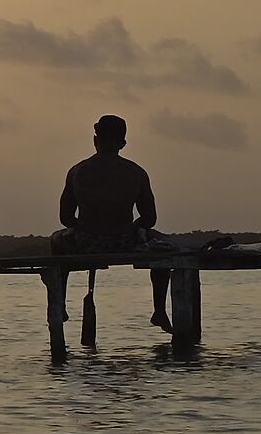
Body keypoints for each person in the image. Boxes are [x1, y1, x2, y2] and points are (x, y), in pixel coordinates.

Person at [54, 114, 174, 331]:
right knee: (162, 246)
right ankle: (159, 310)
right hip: (125, 240)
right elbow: (149, 219)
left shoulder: (77, 171)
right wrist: (132, 227)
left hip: (85, 241)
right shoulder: (136, 172)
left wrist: (84, 226)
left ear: (95, 140)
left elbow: (65, 218)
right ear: (123, 144)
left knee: (56, 240)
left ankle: (59, 303)